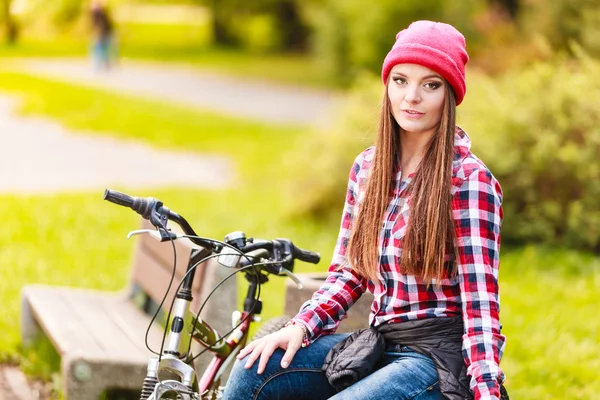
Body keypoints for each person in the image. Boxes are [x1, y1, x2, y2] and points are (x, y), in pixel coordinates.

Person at [223, 20, 507, 400]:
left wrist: (486, 389)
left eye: (431, 85)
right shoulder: (368, 169)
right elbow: (350, 271)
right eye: (401, 80)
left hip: (435, 359)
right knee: (252, 372)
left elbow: (480, 305)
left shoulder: (469, 181)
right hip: (379, 344)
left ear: (450, 95)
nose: (412, 97)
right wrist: (301, 326)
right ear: (387, 85)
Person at [90, 0, 115, 71]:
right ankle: (98, 65)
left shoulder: (103, 13)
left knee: (105, 49)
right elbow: (97, 24)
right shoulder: (95, 13)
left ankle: (105, 64)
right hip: (100, 33)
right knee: (99, 49)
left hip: (105, 33)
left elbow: (108, 24)